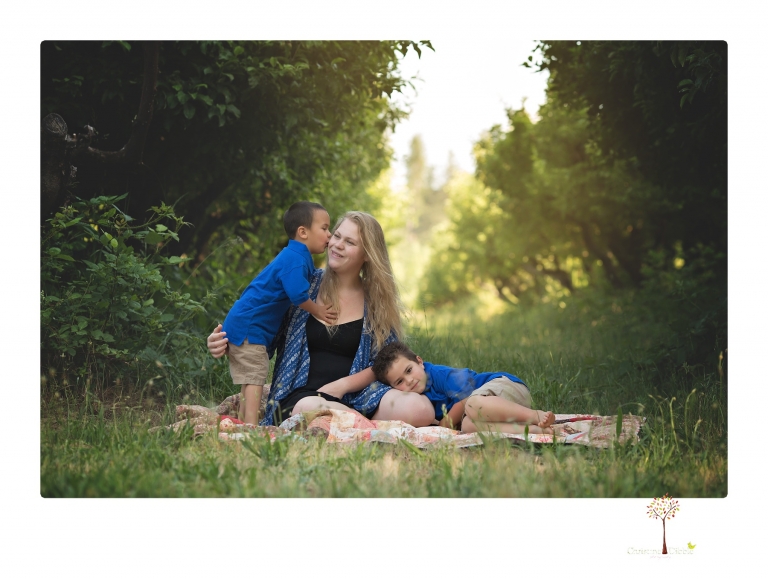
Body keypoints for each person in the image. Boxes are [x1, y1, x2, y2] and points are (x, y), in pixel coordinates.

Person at [207, 211, 435, 428]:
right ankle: (364, 428)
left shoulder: (375, 302)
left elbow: (387, 360)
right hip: (301, 398)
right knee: (311, 408)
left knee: (419, 409)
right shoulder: (302, 285)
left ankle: (350, 425)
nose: (337, 244)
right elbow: (259, 325)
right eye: (336, 235)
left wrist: (342, 386)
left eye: (350, 242)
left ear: (367, 255)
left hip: (359, 398)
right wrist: (225, 340)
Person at [221, 201, 338, 425]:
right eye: (324, 228)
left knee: (250, 378)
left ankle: (245, 423)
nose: (329, 234)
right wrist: (318, 311)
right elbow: (297, 294)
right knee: (255, 376)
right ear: (302, 232)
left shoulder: (299, 257)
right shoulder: (294, 259)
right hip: (250, 326)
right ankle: (251, 428)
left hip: (245, 322)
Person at [372, 341, 556, 434]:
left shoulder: (439, 375)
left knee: (472, 405)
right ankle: (537, 430)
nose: (409, 381)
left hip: (505, 388)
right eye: (399, 382)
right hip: (497, 412)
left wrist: (444, 424)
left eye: (409, 370)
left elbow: (465, 397)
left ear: (419, 362)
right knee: (468, 426)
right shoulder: (420, 397)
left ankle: (535, 415)